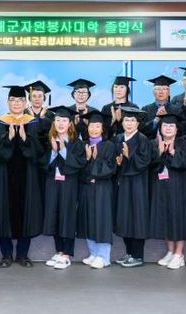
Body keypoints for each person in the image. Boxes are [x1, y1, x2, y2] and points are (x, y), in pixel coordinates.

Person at [0, 85, 44, 268]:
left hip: (28, 177)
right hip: (5, 177)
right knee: (4, 214)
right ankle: (6, 255)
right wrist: (9, 138)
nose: (17, 103)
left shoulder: (33, 123)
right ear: (8, 102)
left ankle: (22, 255)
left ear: (26, 102)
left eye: (20, 100)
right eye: (13, 100)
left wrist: (26, 139)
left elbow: (39, 151)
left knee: (26, 212)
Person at [149, 113, 186, 270]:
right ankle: (170, 252)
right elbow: (149, 165)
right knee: (165, 218)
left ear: (176, 129)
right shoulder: (155, 144)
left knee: (179, 220)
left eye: (171, 126)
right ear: (160, 128)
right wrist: (159, 153)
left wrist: (173, 152)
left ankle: (179, 254)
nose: (168, 128)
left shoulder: (184, 144)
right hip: (161, 188)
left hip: (179, 188)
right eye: (165, 126)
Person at [42, 106, 87, 270]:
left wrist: (62, 150)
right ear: (54, 122)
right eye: (58, 120)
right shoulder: (49, 140)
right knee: (54, 215)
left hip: (69, 184)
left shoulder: (77, 143)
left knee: (67, 217)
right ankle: (59, 251)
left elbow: (79, 164)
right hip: (52, 183)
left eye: (64, 120)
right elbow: (42, 164)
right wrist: (53, 153)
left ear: (70, 124)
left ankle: (67, 255)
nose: (61, 123)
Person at [113, 106, 153, 268]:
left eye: (132, 120)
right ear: (122, 122)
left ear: (138, 123)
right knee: (124, 217)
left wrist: (129, 156)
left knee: (137, 218)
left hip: (138, 184)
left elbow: (145, 162)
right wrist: (117, 163)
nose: (129, 123)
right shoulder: (118, 138)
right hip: (123, 183)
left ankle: (138, 256)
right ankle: (129, 253)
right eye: (126, 120)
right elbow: (115, 160)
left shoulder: (143, 139)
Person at [77, 110, 116, 270]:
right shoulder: (83, 145)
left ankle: (103, 257)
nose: (93, 129)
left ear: (102, 128)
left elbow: (110, 169)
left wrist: (94, 159)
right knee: (88, 220)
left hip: (102, 189)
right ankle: (93, 253)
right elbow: (78, 169)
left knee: (102, 221)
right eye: (91, 126)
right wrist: (87, 158)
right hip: (87, 188)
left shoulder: (109, 145)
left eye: (97, 126)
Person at [140, 75, 182, 139]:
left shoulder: (177, 110)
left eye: (164, 89)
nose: (161, 92)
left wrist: (167, 118)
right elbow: (141, 130)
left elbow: (181, 130)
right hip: (150, 143)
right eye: (158, 89)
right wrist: (156, 120)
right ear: (153, 92)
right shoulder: (145, 109)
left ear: (169, 92)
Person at [25, 80, 54, 144]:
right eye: (34, 96)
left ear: (44, 98)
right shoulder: (24, 113)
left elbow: (51, 134)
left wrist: (42, 118)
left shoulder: (50, 114)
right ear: (30, 98)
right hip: (28, 147)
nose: (37, 99)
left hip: (45, 148)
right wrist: (31, 117)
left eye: (40, 96)